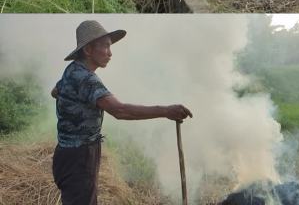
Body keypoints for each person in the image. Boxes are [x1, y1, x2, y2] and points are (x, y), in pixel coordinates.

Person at [51, 20, 193, 205]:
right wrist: (166, 111)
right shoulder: (86, 79)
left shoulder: (72, 71)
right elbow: (120, 111)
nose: (110, 53)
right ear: (88, 50)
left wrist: (73, 104)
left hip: (66, 154)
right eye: (106, 47)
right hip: (79, 157)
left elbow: (55, 91)